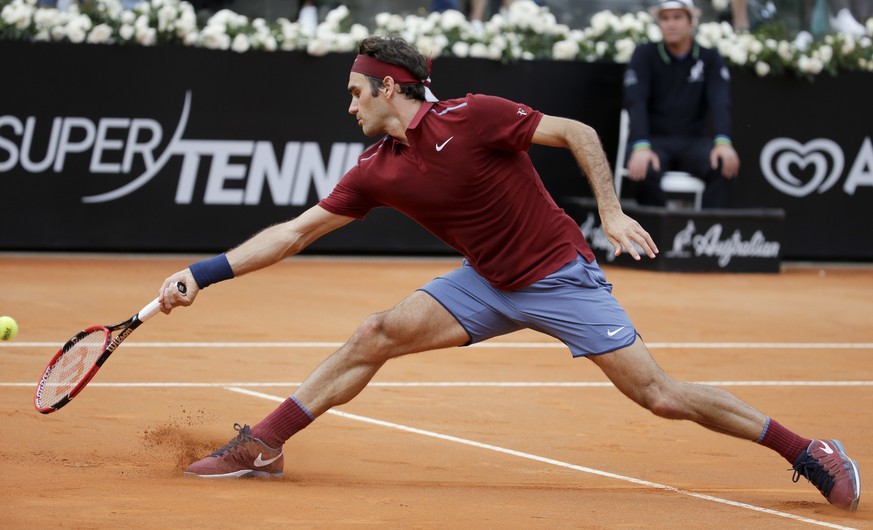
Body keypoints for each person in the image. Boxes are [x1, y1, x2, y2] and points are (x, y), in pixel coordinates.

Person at [157, 35, 860, 511]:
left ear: (390, 88)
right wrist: (203, 272)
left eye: (355, 92)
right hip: (486, 281)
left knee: (659, 396)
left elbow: (577, 134)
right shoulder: (377, 170)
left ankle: (807, 449)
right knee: (375, 333)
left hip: (558, 275)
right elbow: (295, 232)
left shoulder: (475, 117)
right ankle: (263, 445)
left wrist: (609, 215)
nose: (349, 106)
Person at [623, 0, 740, 209]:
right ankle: (654, 238)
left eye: (677, 17)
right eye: (665, 18)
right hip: (653, 141)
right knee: (643, 167)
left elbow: (720, 101)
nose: (671, 24)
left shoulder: (710, 58)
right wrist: (641, 145)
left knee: (723, 163)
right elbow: (635, 101)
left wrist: (724, 143)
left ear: (691, 21)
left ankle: (707, 237)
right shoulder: (644, 54)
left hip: (693, 144)